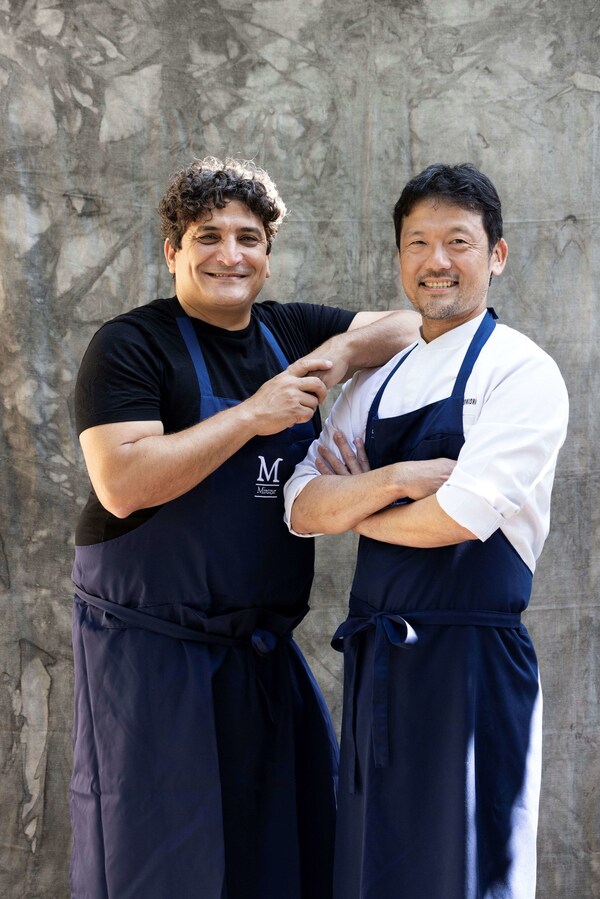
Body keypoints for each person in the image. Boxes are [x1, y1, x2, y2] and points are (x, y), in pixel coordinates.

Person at [69, 156, 423, 899]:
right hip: (152, 663)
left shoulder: (287, 330)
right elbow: (124, 484)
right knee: (162, 869)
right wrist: (254, 414)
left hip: (261, 657)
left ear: (267, 253)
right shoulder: (131, 346)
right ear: (173, 250)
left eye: (248, 238)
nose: (230, 255)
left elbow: (414, 326)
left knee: (283, 862)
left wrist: (334, 356)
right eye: (208, 236)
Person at [285, 163, 569, 899]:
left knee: (467, 873)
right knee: (372, 871)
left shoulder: (520, 371)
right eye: (418, 242)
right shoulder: (375, 380)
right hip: (380, 665)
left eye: (458, 242)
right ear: (400, 256)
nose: (436, 260)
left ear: (495, 255)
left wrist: (354, 501)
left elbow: (460, 517)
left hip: (471, 668)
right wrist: (397, 481)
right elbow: (300, 507)